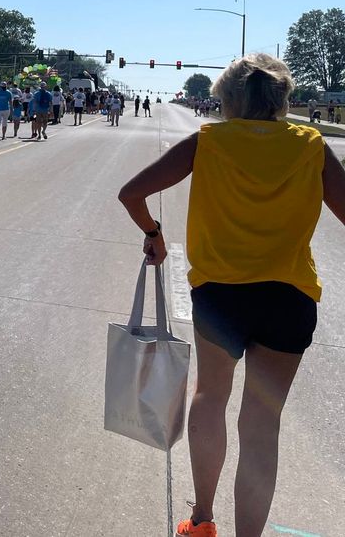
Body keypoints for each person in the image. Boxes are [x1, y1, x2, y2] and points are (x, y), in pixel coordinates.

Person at [117, 54, 345, 537]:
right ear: (282, 99)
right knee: (263, 424)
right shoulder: (311, 145)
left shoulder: (209, 142)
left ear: (228, 99)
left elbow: (131, 193)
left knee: (210, 396)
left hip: (220, 296)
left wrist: (155, 234)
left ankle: (202, 519)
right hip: (288, 297)